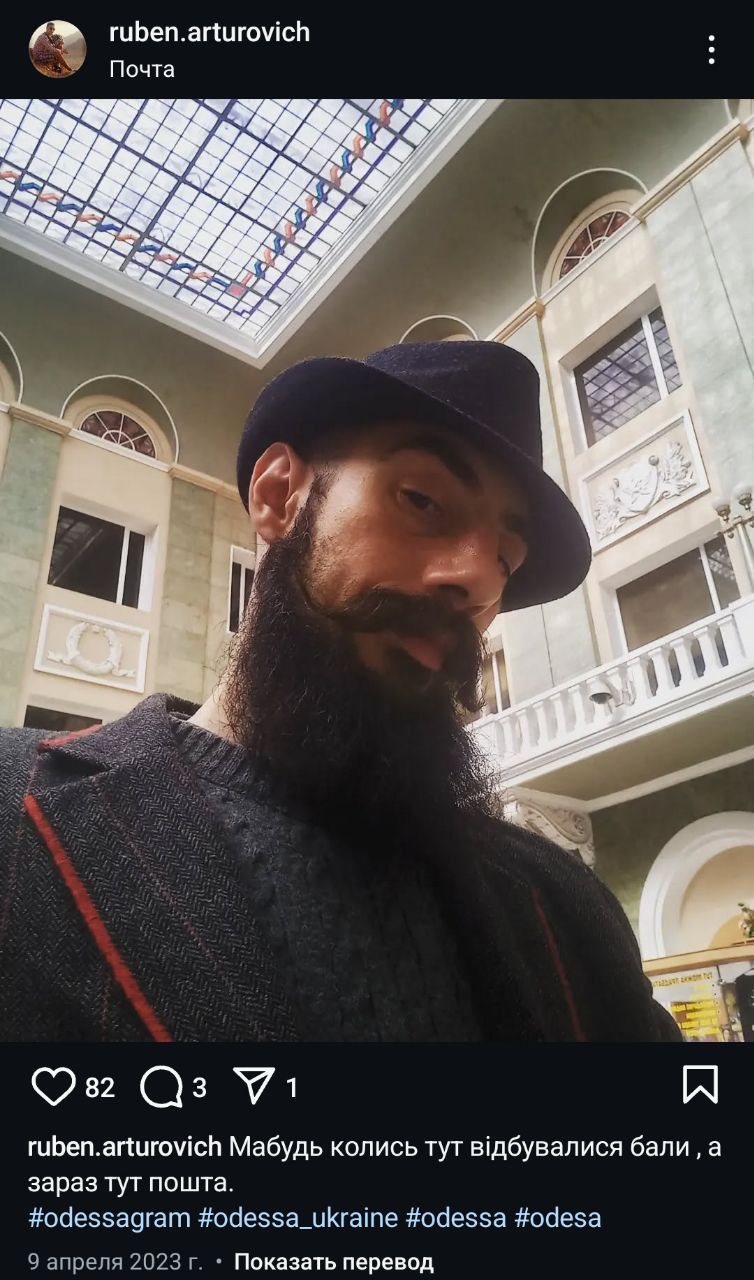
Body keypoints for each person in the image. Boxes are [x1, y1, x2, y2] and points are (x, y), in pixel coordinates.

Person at [0, 341, 681, 1041]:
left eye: (506, 561)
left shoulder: (563, 906)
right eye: (422, 500)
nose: (479, 581)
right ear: (278, 498)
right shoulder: (13, 808)